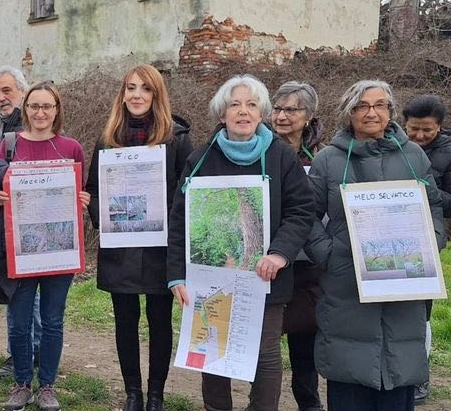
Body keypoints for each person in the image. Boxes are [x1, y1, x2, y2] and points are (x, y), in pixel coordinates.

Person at [167, 74, 315, 411]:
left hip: (266, 278)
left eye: (251, 105)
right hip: (211, 280)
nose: (243, 111)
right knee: (212, 351)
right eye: (235, 104)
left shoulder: (281, 157)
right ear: (222, 115)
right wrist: (177, 275)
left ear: (261, 113)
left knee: (264, 355)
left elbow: (302, 210)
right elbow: (180, 220)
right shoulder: (200, 160)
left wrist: (279, 254)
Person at [305, 79, 445, 411]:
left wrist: (432, 243)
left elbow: (434, 206)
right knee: (349, 381)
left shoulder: (413, 156)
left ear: (391, 111)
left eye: (380, 105)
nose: (371, 112)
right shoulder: (328, 160)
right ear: (348, 113)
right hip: (345, 286)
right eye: (362, 106)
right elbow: (305, 214)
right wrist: (328, 254)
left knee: (399, 378)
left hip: (405, 287)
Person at [86, 65, 194, 411]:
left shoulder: (176, 137)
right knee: (125, 319)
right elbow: (94, 189)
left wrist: (169, 224)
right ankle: (132, 392)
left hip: (161, 245)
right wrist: (103, 220)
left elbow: (185, 190)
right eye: (130, 88)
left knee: (160, 320)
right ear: (123, 94)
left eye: (144, 89)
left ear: (156, 95)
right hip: (121, 246)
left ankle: (156, 395)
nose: (136, 95)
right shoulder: (107, 139)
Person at [0, 81, 91, 411]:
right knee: (19, 322)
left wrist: (82, 199)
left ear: (56, 110)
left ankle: (47, 385)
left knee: (52, 321)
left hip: (59, 251)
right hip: (21, 252)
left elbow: (82, 193)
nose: (40, 112)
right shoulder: (8, 146)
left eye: (47, 106)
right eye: (34, 106)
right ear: (26, 109)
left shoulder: (71, 147)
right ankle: (21, 383)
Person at [401, 94, 451, 404]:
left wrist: (426, 187)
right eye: (414, 129)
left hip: (426, 241)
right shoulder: (395, 147)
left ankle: (419, 375)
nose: (420, 136)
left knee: (420, 313)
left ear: (440, 126)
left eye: (427, 130)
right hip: (389, 236)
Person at [270, 81, 324, 411]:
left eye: (292, 109)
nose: (282, 116)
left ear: (309, 116)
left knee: (305, 341)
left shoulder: (323, 155)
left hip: (308, 264)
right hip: (269, 260)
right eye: (277, 108)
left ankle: (309, 403)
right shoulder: (259, 149)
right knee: (265, 341)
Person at [0, 65, 43, 380]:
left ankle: (27, 354)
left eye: (7, 90)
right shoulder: (4, 124)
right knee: (19, 290)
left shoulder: (29, 121)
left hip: (32, 220)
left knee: (26, 291)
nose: (1, 97)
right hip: (10, 218)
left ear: (22, 90)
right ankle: (23, 353)